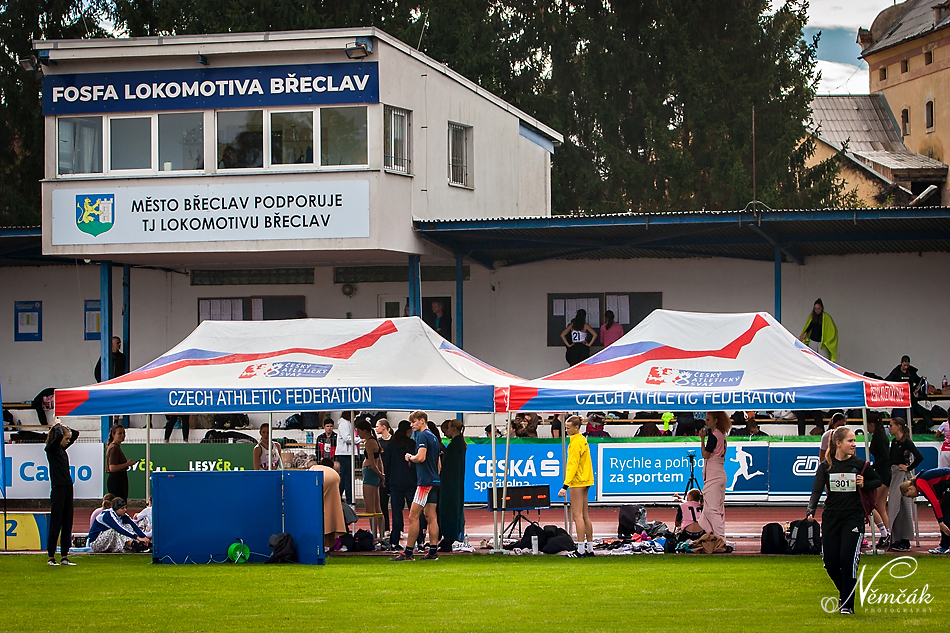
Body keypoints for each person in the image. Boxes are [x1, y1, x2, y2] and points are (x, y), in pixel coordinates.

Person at [806, 426, 882, 615]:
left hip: (853, 518)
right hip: (831, 517)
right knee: (830, 562)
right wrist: (811, 510)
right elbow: (816, 489)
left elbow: (877, 481)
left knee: (848, 561)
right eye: (850, 441)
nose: (854, 444)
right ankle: (845, 592)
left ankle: (847, 604)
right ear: (838, 443)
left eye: (854, 441)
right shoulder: (826, 466)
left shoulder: (860, 464)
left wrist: (864, 483)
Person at [390, 411, 440, 561]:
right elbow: (438, 464)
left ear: (422, 420)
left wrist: (410, 457)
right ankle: (433, 551)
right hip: (434, 480)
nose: (411, 425)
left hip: (425, 482)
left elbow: (421, 457)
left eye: (414, 422)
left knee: (413, 516)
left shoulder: (423, 436)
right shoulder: (434, 437)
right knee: (431, 516)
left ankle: (408, 552)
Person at [559, 415, 594, 557]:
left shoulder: (574, 443)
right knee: (585, 516)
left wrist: (565, 485)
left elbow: (572, 465)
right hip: (586, 480)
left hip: (577, 481)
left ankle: (580, 549)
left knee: (578, 516)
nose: (566, 430)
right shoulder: (583, 440)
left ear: (576, 427)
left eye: (568, 428)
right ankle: (590, 548)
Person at [45, 419, 79, 566]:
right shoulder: (51, 450)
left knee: (67, 522)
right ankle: (51, 556)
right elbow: (59, 436)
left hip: (67, 487)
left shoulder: (62, 450)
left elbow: (76, 434)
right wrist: (58, 425)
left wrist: (65, 427)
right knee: (55, 523)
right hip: (58, 488)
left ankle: (64, 555)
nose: (68, 441)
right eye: (66, 439)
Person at [886, 417, 922, 552]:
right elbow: (891, 459)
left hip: (903, 476)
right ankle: (897, 537)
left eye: (891, 425)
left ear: (899, 426)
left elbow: (919, 456)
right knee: (895, 506)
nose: (889, 428)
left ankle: (905, 539)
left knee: (904, 507)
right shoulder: (894, 442)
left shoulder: (906, 442)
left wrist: (908, 467)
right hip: (895, 474)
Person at [900, 468, 950, 554]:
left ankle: (944, 546)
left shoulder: (920, 483)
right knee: (946, 512)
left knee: (946, 515)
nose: (911, 498)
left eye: (909, 496)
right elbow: (939, 499)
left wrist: (941, 522)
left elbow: (934, 502)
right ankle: (945, 545)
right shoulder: (921, 481)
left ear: (910, 488)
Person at [384, 420, 416, 551]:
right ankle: (418, 541)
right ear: (408, 431)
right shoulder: (412, 444)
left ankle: (394, 541)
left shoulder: (391, 445)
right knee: (415, 513)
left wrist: (387, 484)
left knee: (396, 513)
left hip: (395, 482)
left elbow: (387, 465)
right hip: (411, 482)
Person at [698, 411, 730, 538]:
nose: (706, 422)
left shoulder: (714, 436)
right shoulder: (722, 435)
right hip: (719, 472)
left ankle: (720, 538)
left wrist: (702, 439)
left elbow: (705, 454)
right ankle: (710, 536)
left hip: (714, 475)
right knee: (709, 510)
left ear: (715, 420)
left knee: (713, 510)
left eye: (708, 420)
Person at [438, 419, 466, 552]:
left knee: (450, 508)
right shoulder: (459, 443)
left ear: (453, 428)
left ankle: (450, 537)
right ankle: (451, 536)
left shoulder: (455, 445)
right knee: (453, 508)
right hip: (454, 482)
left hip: (450, 483)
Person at [885, 355, 934, 432]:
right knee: (900, 417)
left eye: (907, 365)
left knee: (909, 416)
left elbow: (918, 381)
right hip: (899, 399)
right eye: (904, 365)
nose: (906, 367)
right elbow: (887, 381)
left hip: (909, 398)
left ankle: (909, 430)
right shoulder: (896, 372)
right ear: (901, 363)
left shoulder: (911, 371)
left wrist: (917, 387)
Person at [356, 419, 385, 541]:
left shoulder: (369, 443)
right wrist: (381, 475)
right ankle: (381, 534)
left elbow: (373, 464)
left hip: (370, 474)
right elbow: (379, 462)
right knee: (377, 508)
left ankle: (374, 535)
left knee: (370, 509)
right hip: (373, 475)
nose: (358, 434)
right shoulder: (375, 441)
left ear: (365, 430)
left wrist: (381, 475)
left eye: (359, 431)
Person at [866, 415, 891, 549]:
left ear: (872, 424)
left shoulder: (879, 437)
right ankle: (888, 534)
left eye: (867, 425)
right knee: (880, 506)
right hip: (884, 473)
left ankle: (885, 533)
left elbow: (885, 458)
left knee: (872, 504)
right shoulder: (881, 436)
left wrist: (873, 467)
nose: (866, 428)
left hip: (882, 474)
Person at [308, 458, 347, 543]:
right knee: (330, 509)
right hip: (333, 478)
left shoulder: (315, 467)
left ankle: (318, 541)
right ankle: (328, 542)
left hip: (316, 477)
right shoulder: (333, 472)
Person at [106, 424, 135, 500]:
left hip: (118, 478)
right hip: (117, 479)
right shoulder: (114, 448)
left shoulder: (114, 447)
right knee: (119, 502)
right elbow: (112, 467)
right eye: (119, 433)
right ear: (113, 435)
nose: (123, 435)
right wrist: (127, 464)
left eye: (124, 433)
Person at [375, 418, 393, 535]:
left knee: (396, 504)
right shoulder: (378, 442)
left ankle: (399, 528)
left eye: (377, 426)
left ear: (384, 427)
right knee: (383, 503)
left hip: (393, 474)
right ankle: (386, 528)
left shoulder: (393, 441)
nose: (376, 428)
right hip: (382, 474)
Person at [336, 412, 356, 503]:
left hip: (347, 453)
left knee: (345, 478)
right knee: (348, 478)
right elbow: (347, 438)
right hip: (345, 453)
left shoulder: (347, 423)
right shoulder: (344, 424)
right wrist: (359, 440)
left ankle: (338, 496)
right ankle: (349, 500)